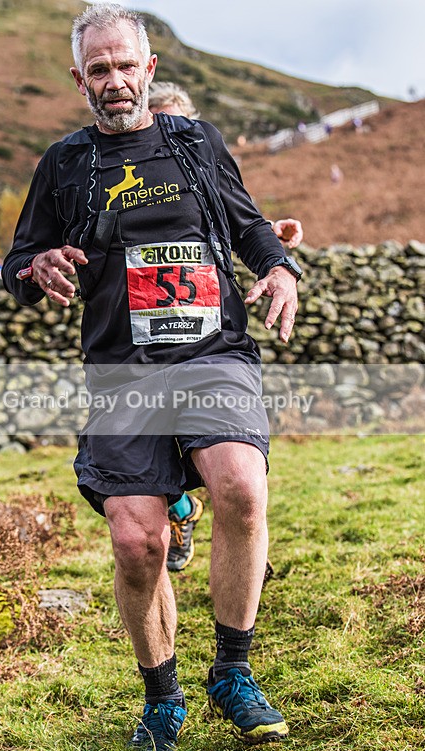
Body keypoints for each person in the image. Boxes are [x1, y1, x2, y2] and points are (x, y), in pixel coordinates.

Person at [2, 3, 302, 751]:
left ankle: (233, 671)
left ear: (149, 69)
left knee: (240, 484)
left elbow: (248, 223)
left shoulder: (196, 141)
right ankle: (161, 696)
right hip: (121, 374)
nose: (114, 81)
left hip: (212, 353)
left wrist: (278, 266)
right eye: (97, 70)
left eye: (125, 65)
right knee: (138, 542)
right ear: (79, 79)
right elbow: (17, 264)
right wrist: (35, 267)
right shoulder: (63, 164)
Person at [148, 81, 303, 573]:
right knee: (152, 454)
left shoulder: (202, 152)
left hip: (210, 335)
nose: (164, 131)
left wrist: (270, 237)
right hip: (140, 342)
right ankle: (184, 511)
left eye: (173, 118)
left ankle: (245, 545)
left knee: (231, 459)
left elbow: (233, 220)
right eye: (155, 117)